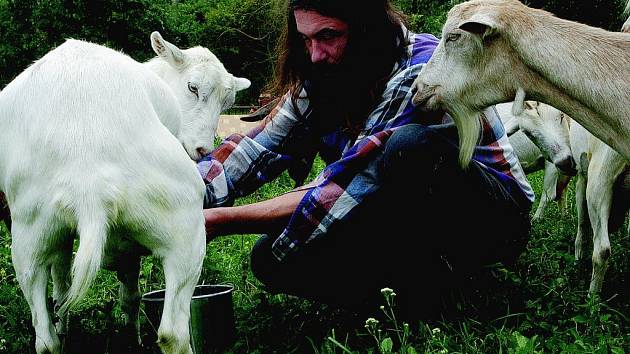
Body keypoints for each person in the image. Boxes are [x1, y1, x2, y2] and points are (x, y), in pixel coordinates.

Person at [198, 0, 534, 315]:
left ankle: (441, 289)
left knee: (409, 147)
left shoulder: (420, 71)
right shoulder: (324, 71)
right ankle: (402, 290)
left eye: (328, 36)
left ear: (365, 28)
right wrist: (182, 193)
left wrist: (219, 220)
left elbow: (346, 185)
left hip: (493, 212)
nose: (315, 54)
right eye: (305, 39)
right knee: (269, 259)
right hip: (395, 207)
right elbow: (259, 148)